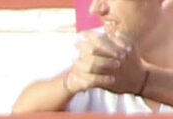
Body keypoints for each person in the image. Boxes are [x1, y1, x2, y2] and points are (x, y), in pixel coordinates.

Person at [16, 0, 173, 112]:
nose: (95, 8)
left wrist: (142, 81)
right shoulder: (95, 46)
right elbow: (22, 113)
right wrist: (71, 83)